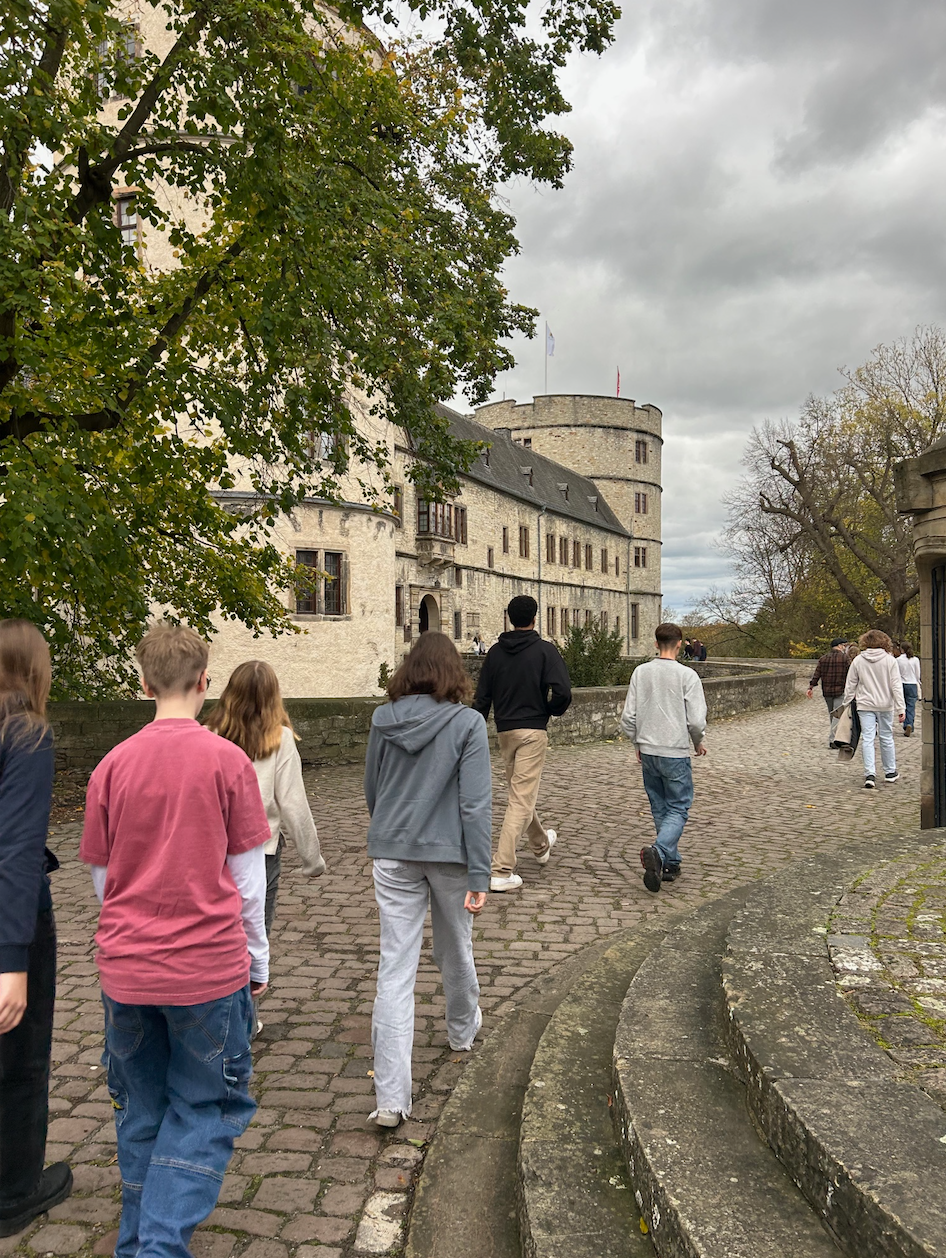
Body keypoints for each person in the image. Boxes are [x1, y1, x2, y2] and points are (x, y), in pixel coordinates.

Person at [80, 623, 271, 1258]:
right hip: (206, 968)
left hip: (127, 967)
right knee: (207, 1106)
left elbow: (103, 879)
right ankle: (158, 1246)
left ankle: (138, 1242)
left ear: (142, 684)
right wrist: (258, 958)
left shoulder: (111, 766)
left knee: (141, 1110)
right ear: (204, 682)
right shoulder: (228, 762)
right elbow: (247, 883)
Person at [364, 632, 491, 1127]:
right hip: (449, 854)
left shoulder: (383, 719)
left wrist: (390, 829)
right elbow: (474, 804)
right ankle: (462, 1029)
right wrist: (480, 870)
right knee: (455, 947)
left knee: (394, 968)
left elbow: (373, 788)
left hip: (393, 849)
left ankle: (391, 1099)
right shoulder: (467, 723)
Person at [0, 621, 73, 1238]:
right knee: (21, 1059)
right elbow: (17, 849)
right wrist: (12, 960)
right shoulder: (25, 733)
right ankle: (15, 1191)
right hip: (12, 918)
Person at [206, 661, 325, 934]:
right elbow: (293, 803)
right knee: (256, 931)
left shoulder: (208, 734)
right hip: (260, 849)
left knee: (216, 928)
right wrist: (312, 860)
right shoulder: (280, 739)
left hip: (214, 847)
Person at [472, 595, 572, 892]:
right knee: (520, 799)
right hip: (532, 731)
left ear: (510, 619)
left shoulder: (495, 653)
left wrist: (474, 729)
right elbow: (563, 692)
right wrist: (549, 711)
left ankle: (540, 844)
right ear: (534, 618)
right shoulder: (545, 651)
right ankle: (501, 869)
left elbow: (482, 697)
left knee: (520, 794)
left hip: (505, 732)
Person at [620, 622, 707, 894]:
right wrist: (698, 741)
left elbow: (628, 717)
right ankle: (659, 851)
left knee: (660, 807)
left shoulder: (641, 672)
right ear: (680, 644)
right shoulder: (687, 676)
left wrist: (637, 742)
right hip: (674, 750)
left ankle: (669, 863)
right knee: (679, 806)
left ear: (656, 644)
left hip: (648, 750)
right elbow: (696, 721)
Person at [840, 629, 905, 788]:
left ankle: (870, 773)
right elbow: (896, 685)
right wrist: (900, 708)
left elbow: (850, 684)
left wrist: (847, 702)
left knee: (868, 738)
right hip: (885, 704)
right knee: (886, 736)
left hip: (865, 704)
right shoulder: (890, 661)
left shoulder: (858, 660)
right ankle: (890, 771)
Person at [807, 638, 851, 747]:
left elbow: (817, 674)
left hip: (827, 691)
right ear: (839, 646)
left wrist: (811, 686)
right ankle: (833, 739)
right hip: (840, 690)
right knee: (838, 715)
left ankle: (835, 736)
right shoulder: (845, 658)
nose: (844, 647)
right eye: (843, 645)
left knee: (832, 714)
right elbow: (851, 674)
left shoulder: (823, 658)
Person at [896, 642, 921, 737]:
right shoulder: (915, 660)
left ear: (902, 649)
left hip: (901, 683)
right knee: (911, 706)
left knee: (903, 705)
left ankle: (905, 723)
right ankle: (909, 723)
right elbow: (917, 674)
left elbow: (896, 673)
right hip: (912, 683)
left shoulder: (898, 660)